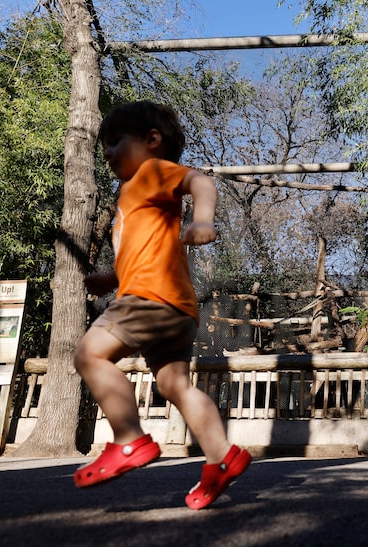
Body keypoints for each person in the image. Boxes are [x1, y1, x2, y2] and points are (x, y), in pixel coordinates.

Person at [72, 101, 251, 510]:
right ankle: (221, 456)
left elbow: (201, 181)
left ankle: (129, 439)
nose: (108, 153)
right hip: (176, 308)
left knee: (89, 353)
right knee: (174, 385)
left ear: (151, 141)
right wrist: (113, 278)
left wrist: (204, 219)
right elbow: (144, 253)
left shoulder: (150, 172)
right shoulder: (135, 197)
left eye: (115, 142)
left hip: (149, 300)